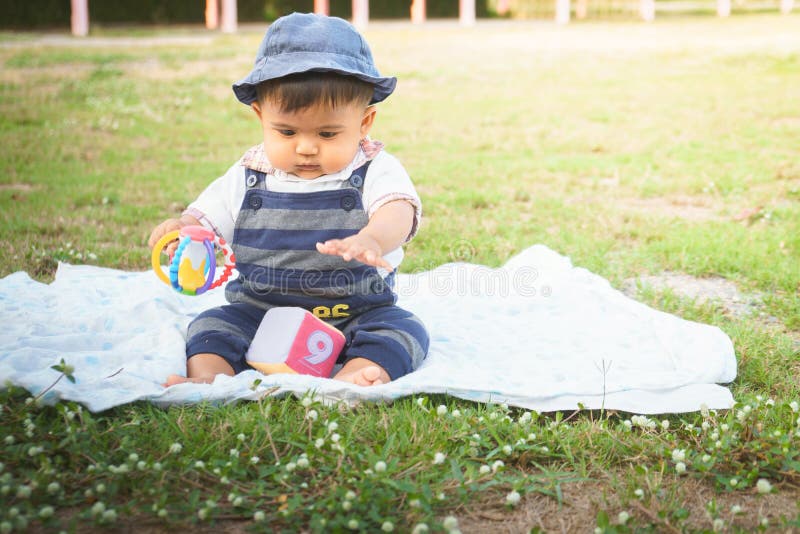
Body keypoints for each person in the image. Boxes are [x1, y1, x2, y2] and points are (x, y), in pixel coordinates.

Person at [148, 12, 429, 387]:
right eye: (287, 131)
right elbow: (205, 220)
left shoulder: (373, 168)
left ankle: (352, 376)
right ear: (260, 116)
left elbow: (399, 209)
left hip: (354, 312)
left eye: (328, 134)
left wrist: (373, 238)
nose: (307, 147)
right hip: (261, 311)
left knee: (403, 330)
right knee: (211, 327)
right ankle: (210, 381)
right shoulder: (248, 176)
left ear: (364, 123)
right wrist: (182, 231)